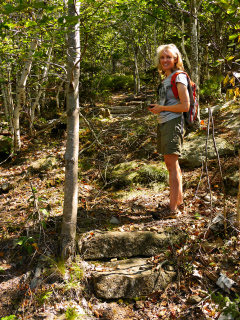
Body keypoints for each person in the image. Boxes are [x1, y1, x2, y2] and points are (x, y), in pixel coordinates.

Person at [148, 44, 190, 219]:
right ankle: (178, 203)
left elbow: (185, 105)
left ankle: (172, 211)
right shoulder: (167, 78)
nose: (165, 60)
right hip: (165, 122)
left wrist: (161, 108)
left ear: (176, 59)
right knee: (173, 166)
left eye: (169, 57)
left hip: (173, 123)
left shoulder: (179, 77)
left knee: (172, 166)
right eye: (162, 57)